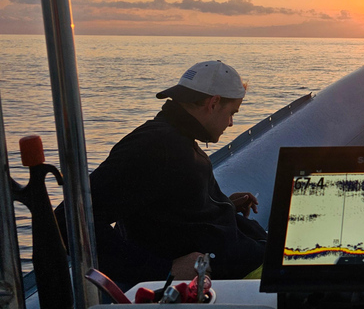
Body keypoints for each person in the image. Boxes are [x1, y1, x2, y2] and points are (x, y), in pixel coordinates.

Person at [56, 60, 266, 288]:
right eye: (231, 113)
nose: (231, 123)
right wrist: (163, 270)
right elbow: (69, 220)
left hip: (247, 251)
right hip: (238, 273)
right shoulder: (155, 146)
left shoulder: (179, 138)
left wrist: (222, 204)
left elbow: (165, 206)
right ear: (214, 103)